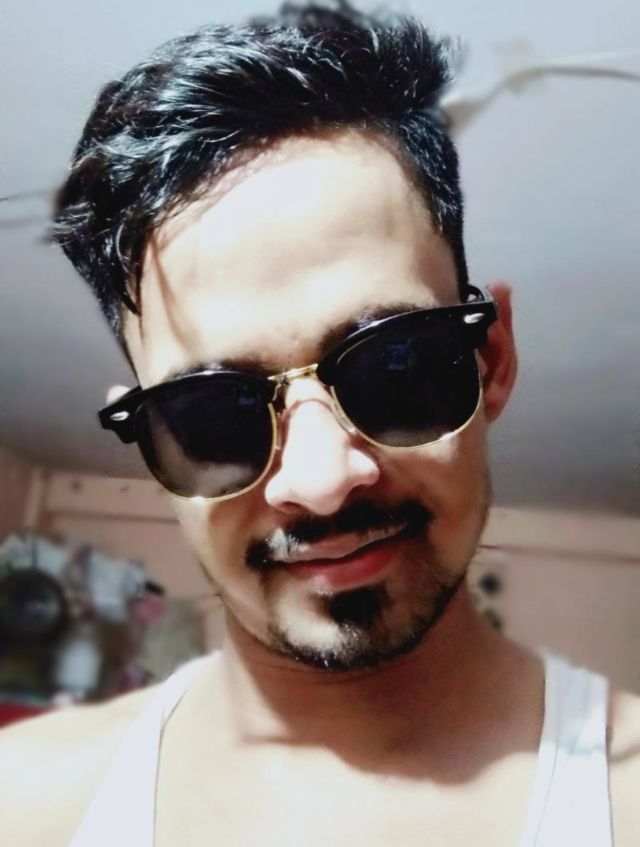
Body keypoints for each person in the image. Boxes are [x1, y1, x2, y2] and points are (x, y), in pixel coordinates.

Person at [1, 2, 638, 845]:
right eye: (214, 412)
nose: (323, 479)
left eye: (395, 365)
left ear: (489, 358)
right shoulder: (24, 804)